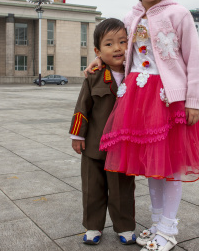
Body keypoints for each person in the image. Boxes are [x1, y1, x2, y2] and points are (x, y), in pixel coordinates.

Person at [87, 0, 199, 251]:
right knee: (151, 165)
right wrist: (101, 62)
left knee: (170, 166)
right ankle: (157, 223)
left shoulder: (179, 13)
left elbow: (194, 60)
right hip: (137, 97)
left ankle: (169, 229)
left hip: (167, 99)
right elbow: (123, 54)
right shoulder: (130, 15)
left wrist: (193, 101)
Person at [69, 18, 136, 246]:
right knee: (92, 188)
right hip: (94, 145)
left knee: (122, 190)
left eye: (122, 42)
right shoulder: (94, 75)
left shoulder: (135, 75)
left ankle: (125, 226)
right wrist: (77, 136)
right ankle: (93, 226)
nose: (117, 48)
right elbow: (82, 107)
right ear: (98, 51)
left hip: (122, 146)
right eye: (109, 44)